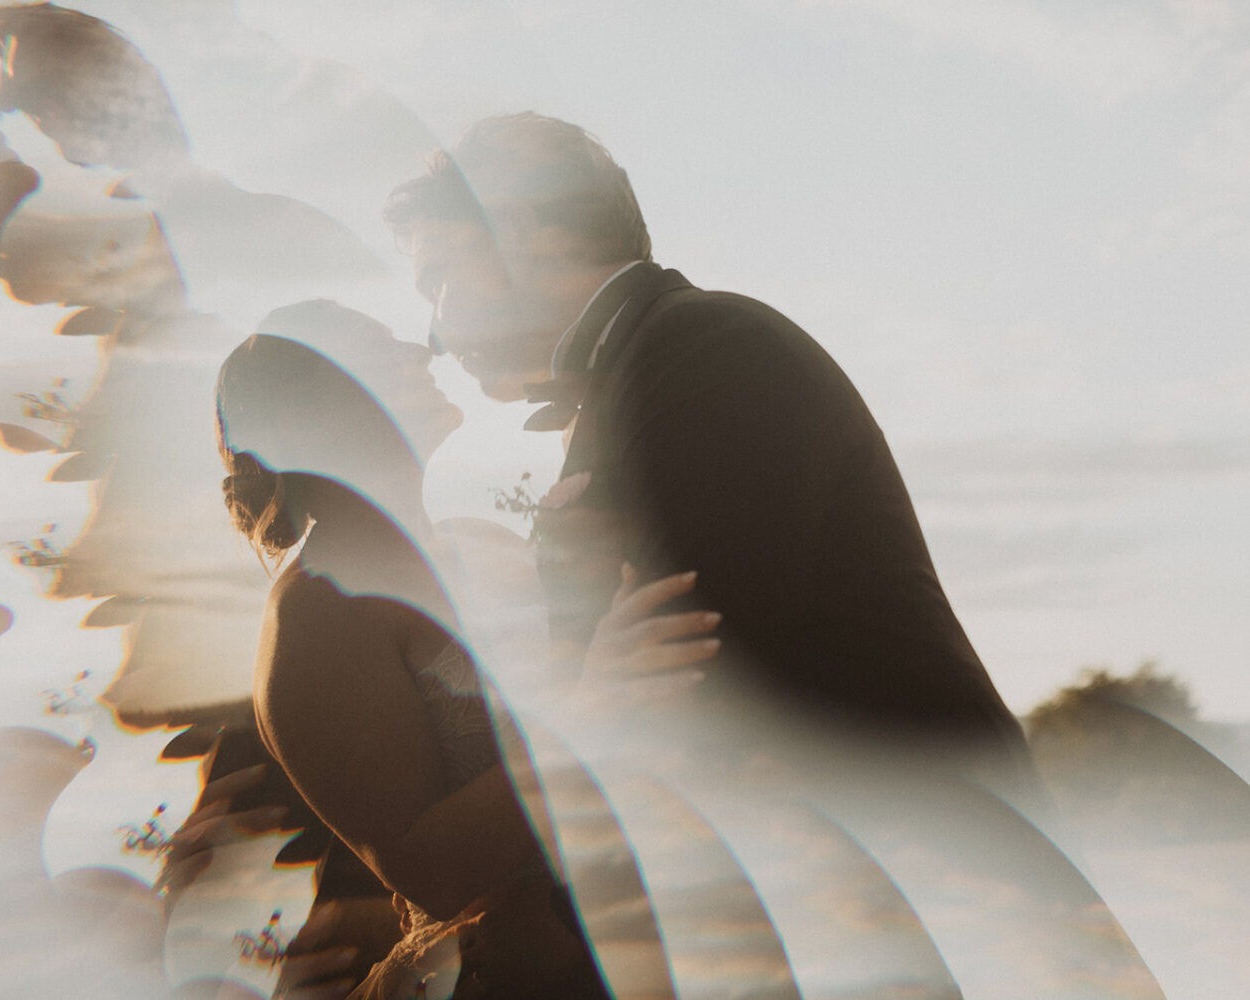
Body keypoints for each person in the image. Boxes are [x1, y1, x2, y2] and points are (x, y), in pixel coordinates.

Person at [383, 112, 1031, 779]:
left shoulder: (701, 351)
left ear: (514, 232)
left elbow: (686, 684)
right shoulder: (653, 360)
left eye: (437, 280)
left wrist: (580, 642)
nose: (434, 332)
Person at [211, 306, 613, 998]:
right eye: (382, 348)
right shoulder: (317, 614)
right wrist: (602, 704)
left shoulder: (473, 536)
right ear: (330, 408)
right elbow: (435, 869)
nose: (420, 350)